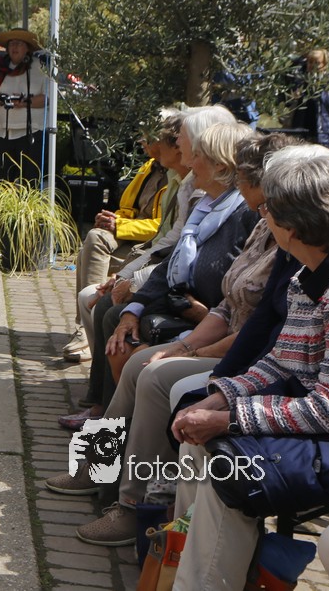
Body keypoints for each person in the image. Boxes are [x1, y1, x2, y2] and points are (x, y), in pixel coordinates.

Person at [45, 130, 292, 548]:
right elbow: (219, 302)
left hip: (243, 354)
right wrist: (171, 337)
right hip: (211, 330)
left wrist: (190, 347)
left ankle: (133, 505)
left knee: (153, 374)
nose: (187, 163)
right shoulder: (252, 222)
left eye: (194, 155)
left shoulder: (265, 225)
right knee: (134, 353)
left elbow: (259, 330)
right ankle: (98, 467)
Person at [169, 145, 329, 590]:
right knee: (198, 444)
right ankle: (183, 564)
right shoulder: (312, 272)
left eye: (266, 209)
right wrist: (220, 396)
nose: (261, 216)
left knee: (229, 472)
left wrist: (230, 418)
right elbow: (282, 361)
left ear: (292, 225)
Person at [63, 115, 253, 429]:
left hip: (208, 322)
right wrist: (134, 310)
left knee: (139, 360)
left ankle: (109, 442)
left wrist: (192, 333)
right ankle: (107, 431)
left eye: (197, 156)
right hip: (185, 307)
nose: (189, 163)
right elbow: (171, 261)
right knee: (118, 321)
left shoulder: (245, 216)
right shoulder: (204, 203)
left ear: (220, 166)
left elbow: (238, 299)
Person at [63, 131, 167, 363]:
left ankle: (87, 328)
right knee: (95, 236)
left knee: (86, 253)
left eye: (147, 138)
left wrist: (119, 225)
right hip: (132, 232)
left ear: (165, 142)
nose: (141, 142)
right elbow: (129, 207)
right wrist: (112, 219)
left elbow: (162, 228)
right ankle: (85, 326)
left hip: (151, 242)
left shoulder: (178, 178)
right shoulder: (149, 167)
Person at [0, 28, 48, 183]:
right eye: (11, 44)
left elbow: (48, 97)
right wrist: (5, 99)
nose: (14, 47)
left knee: (30, 180)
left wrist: (23, 102)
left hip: (31, 131)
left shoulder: (40, 66)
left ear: (27, 48)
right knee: (2, 180)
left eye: (19, 43)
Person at [289, 47, 329, 153]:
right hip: (302, 137)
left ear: (325, 64)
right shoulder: (300, 83)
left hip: (325, 137)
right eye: (310, 62)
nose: (313, 65)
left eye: (317, 62)